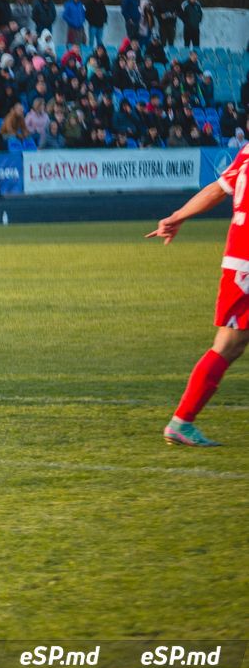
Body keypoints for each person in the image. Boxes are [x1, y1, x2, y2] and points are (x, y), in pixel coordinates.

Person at [147, 144, 249, 445]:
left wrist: (178, 215)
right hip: (246, 261)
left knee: (231, 344)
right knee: (228, 344)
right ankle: (181, 421)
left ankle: (182, 422)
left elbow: (218, 190)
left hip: (239, 260)